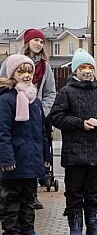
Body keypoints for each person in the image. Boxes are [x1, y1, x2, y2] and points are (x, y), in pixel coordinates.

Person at [48, 49, 97, 235]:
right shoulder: (66, 92)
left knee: (93, 191)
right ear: (75, 70)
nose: (87, 71)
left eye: (90, 67)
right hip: (74, 152)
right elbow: (56, 117)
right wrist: (79, 123)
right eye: (83, 67)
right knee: (74, 191)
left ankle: (94, 225)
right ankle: (75, 226)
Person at [0, 55, 50, 235]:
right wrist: (6, 158)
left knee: (28, 197)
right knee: (11, 198)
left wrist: (45, 157)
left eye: (29, 71)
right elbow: (3, 132)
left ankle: (28, 230)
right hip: (13, 158)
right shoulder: (7, 100)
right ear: (13, 74)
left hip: (31, 158)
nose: (27, 75)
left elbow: (42, 133)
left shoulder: (34, 101)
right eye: (21, 71)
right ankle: (11, 232)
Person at [22, 28, 55, 209]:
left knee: (36, 153)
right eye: (35, 40)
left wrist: (41, 110)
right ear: (28, 42)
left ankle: (32, 193)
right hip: (16, 115)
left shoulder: (45, 67)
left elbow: (50, 92)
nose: (39, 44)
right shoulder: (14, 62)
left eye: (42, 41)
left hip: (37, 117)